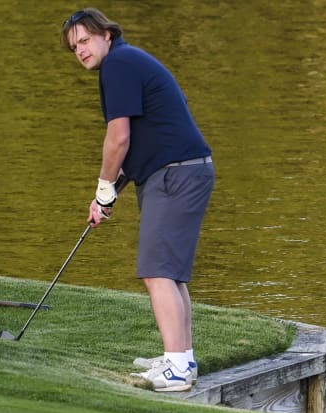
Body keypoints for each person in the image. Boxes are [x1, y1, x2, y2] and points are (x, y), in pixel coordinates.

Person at [61, 8, 214, 392]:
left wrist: (102, 187)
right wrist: (108, 196)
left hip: (175, 173)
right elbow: (139, 145)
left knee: (158, 271)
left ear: (106, 35)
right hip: (178, 170)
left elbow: (119, 139)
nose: (80, 50)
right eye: (73, 46)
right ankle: (181, 357)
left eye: (85, 40)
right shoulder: (126, 62)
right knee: (170, 273)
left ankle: (177, 369)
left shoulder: (119, 66)